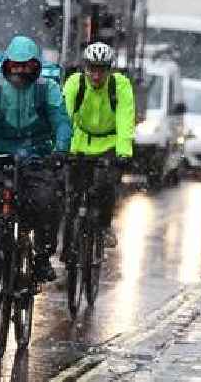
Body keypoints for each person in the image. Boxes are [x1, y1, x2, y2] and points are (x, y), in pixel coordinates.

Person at [0, 35, 72, 308]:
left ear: (36, 67)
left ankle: (42, 260)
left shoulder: (48, 89)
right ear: (7, 65)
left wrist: (60, 150)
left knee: (46, 204)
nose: (20, 73)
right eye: (15, 67)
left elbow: (61, 122)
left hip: (36, 160)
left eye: (26, 67)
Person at [62, 42, 135, 250]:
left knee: (106, 186)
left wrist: (123, 153)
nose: (96, 76)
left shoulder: (120, 86)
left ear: (109, 70)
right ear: (84, 68)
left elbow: (125, 120)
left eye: (101, 70)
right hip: (79, 142)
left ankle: (104, 226)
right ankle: (68, 247)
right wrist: (61, 148)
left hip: (109, 145)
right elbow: (64, 117)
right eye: (91, 69)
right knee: (73, 195)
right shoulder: (75, 83)